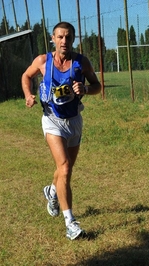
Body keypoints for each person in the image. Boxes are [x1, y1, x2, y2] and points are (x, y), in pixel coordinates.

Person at [21, 22, 101, 240]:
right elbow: (26, 76)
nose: (64, 41)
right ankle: (70, 223)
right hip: (52, 120)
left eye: (68, 37)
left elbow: (97, 86)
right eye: (60, 37)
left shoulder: (81, 62)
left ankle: (52, 192)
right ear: (53, 39)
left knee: (66, 169)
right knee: (64, 167)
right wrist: (28, 95)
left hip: (74, 120)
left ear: (73, 39)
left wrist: (85, 89)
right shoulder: (43, 61)